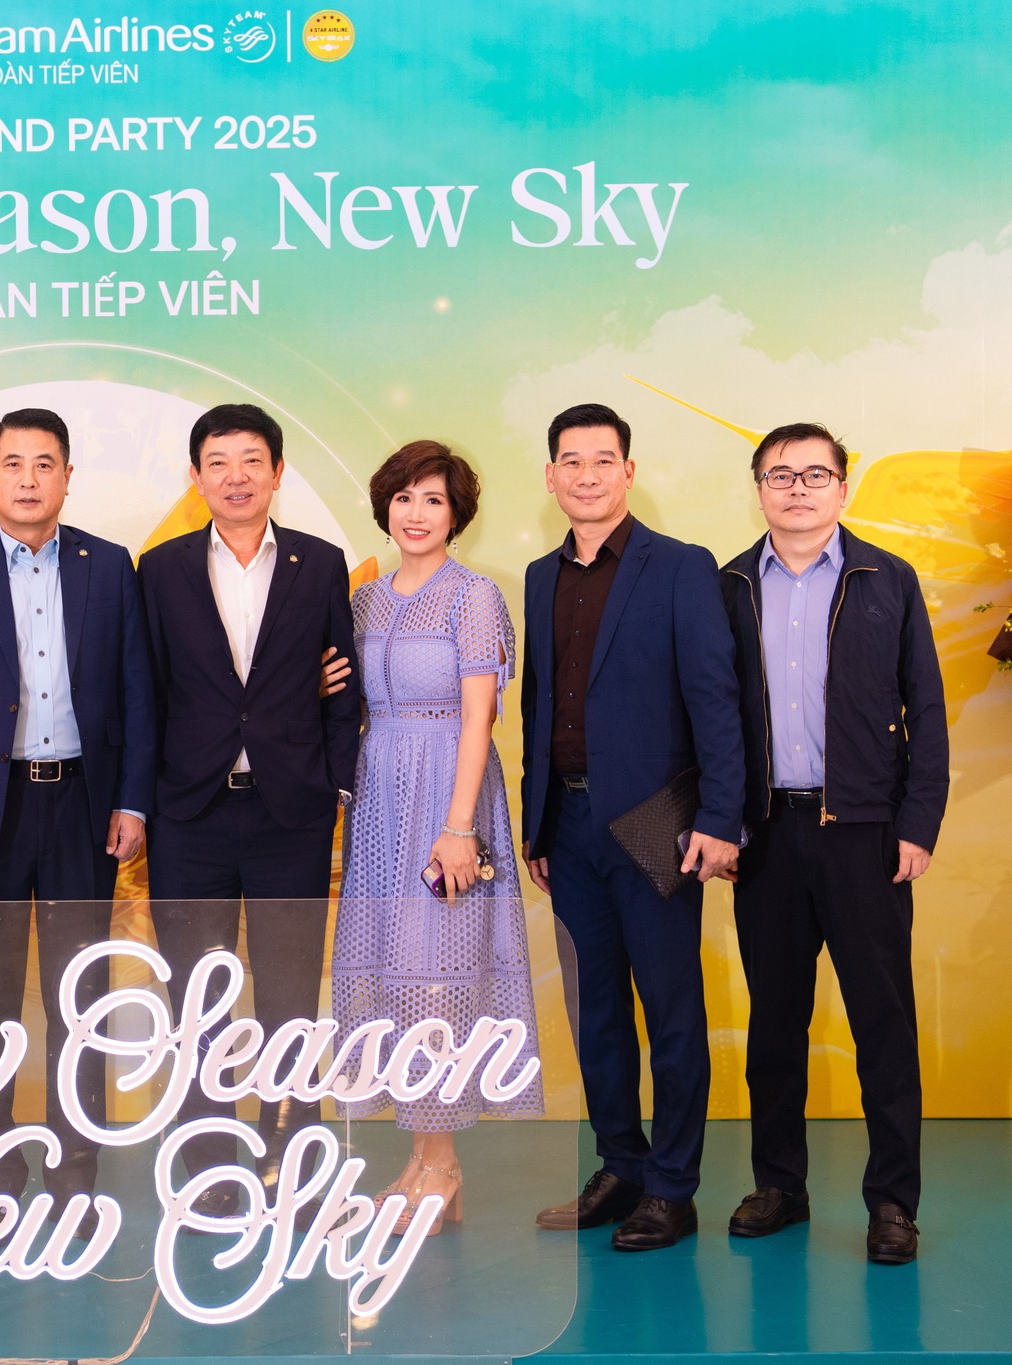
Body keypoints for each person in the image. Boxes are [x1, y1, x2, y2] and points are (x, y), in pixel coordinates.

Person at [0, 407, 156, 1230]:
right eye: (11, 463)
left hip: (83, 805)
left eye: (44, 463)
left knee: (79, 997)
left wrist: (131, 798)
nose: (27, 478)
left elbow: (137, 694)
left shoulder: (108, 565)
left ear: (67, 477)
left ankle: (76, 1167)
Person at [719, 423, 947, 1265]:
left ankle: (892, 1201)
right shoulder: (728, 585)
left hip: (864, 833)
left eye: (816, 474)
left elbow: (927, 708)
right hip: (766, 833)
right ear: (759, 489)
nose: (798, 488)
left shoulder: (888, 578)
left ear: (843, 488)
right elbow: (709, 715)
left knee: (882, 1022)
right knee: (775, 1022)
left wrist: (917, 823)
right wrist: (722, 820)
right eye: (780, 474)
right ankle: (780, 1184)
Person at [519, 402, 744, 1252]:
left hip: (658, 822)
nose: (587, 475)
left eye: (603, 459)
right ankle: (621, 1162)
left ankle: (673, 1187)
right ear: (550, 476)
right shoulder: (540, 575)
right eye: (571, 461)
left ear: (629, 471)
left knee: (671, 1007)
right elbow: (539, 703)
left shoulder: (681, 566)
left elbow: (714, 697)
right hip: (567, 824)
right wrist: (537, 823)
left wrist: (720, 817)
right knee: (596, 1010)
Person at [137, 402, 362, 1209]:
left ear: (277, 471)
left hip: (290, 812)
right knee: (197, 997)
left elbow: (342, 681)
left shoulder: (319, 562)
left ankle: (293, 1156)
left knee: (290, 994)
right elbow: (144, 690)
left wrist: (337, 783)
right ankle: (209, 1166)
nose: (236, 477)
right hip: (188, 814)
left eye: (252, 460)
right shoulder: (159, 569)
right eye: (219, 462)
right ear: (196, 475)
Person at [332, 441, 541, 1238]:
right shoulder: (365, 601)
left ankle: (444, 1165)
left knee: (437, 981)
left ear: (457, 515)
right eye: (404, 497)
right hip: (379, 797)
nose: (416, 514)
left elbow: (481, 716)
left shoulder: (474, 596)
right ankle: (420, 1160)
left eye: (433, 500)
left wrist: (458, 828)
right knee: (393, 978)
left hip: (447, 791)